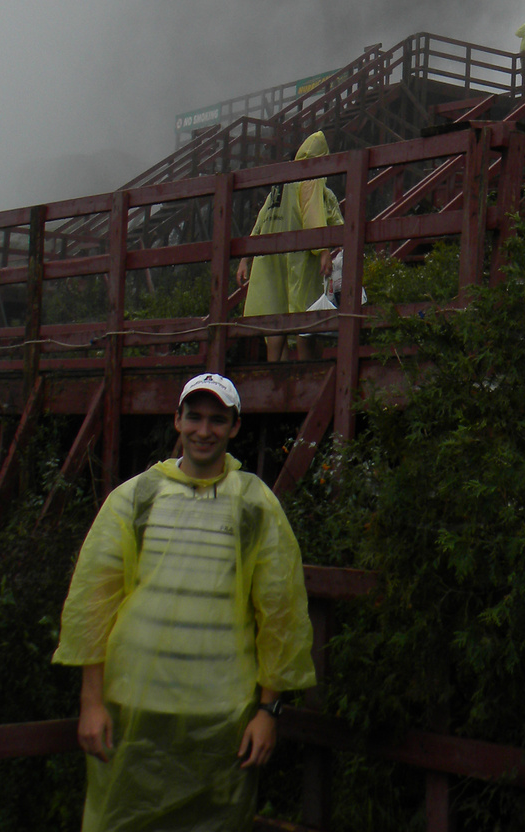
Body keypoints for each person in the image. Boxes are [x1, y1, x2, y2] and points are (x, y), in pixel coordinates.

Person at [53, 372, 316, 832]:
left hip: (220, 720)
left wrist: (268, 711)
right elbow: (92, 605)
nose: (204, 430)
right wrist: (91, 702)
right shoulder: (136, 497)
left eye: (218, 420)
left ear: (235, 427)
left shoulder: (255, 504)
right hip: (132, 712)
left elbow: (281, 614)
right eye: (194, 417)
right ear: (176, 420)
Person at [238, 131, 342, 364]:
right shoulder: (310, 177)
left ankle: (276, 378)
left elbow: (261, 219)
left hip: (270, 261)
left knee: (275, 319)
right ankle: (308, 376)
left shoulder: (280, 184)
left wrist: (245, 258)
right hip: (300, 259)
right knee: (307, 320)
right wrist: (324, 249)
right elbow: (313, 215)